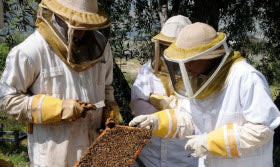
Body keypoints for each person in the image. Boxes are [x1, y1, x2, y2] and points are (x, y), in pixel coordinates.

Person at [129, 22, 280, 167]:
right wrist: (156, 121)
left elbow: (262, 129)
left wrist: (211, 142)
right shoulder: (198, 79)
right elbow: (188, 117)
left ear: (209, 55)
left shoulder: (246, 77)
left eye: (190, 60)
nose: (186, 66)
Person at [0, 0, 120, 166]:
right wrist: (58, 108)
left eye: (87, 22)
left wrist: (110, 110)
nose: (82, 28)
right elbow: (7, 100)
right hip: (54, 156)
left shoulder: (101, 45)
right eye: (77, 21)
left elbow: (106, 87)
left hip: (96, 150)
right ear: (58, 13)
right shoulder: (30, 50)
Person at [130, 15, 197, 167]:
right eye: (166, 46)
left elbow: (199, 115)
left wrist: (169, 110)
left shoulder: (198, 75)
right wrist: (157, 115)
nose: (169, 51)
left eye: (174, 46)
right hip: (150, 153)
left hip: (183, 156)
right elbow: (136, 101)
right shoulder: (149, 69)